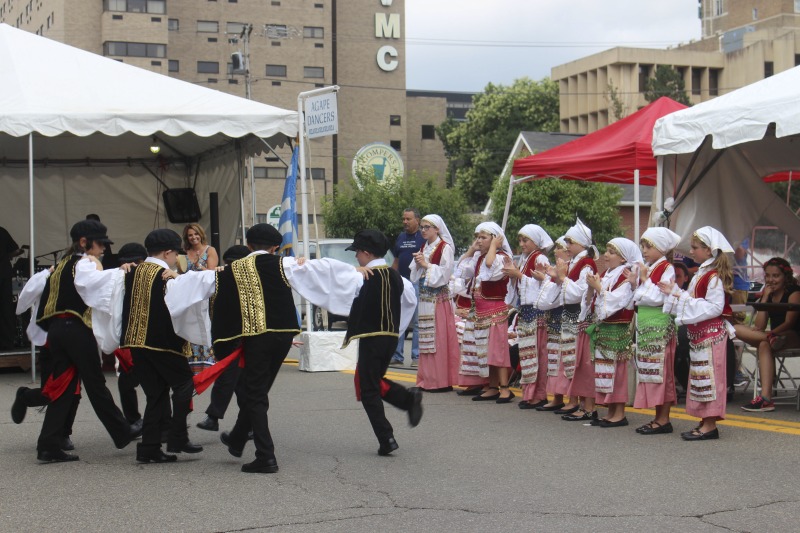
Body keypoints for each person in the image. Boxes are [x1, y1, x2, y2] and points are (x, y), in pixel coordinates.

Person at [167, 224, 302, 473]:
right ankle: (238, 438)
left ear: (248, 245)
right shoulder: (285, 264)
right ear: (274, 248)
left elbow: (196, 282)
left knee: (255, 394)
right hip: (284, 335)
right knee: (258, 390)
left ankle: (266, 456)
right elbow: (321, 272)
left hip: (256, 338)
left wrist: (175, 278)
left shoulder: (229, 272)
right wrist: (357, 271)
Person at [282, 229, 421, 455]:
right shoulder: (399, 279)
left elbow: (326, 271)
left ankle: (388, 435)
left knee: (368, 389)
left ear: (366, 253)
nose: (356, 257)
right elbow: (409, 304)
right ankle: (405, 402)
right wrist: (396, 329)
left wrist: (297, 264)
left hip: (371, 338)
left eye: (357, 252)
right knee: (372, 381)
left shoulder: (362, 276)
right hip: (389, 339)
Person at [76, 229, 203, 463]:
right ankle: (177, 436)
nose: (176, 259)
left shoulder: (129, 272)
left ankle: (150, 448)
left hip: (135, 342)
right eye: (175, 254)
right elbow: (188, 297)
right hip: (162, 343)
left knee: (156, 394)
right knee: (184, 384)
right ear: (168, 252)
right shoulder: (166, 274)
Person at [26, 220, 135, 462]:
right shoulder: (84, 263)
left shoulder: (61, 264)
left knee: (64, 388)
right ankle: (122, 430)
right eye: (101, 243)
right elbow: (91, 284)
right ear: (84, 243)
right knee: (95, 383)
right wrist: (121, 272)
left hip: (57, 330)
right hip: (74, 329)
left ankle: (48, 444)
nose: (104, 248)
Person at [661, 226, 734, 441]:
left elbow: (714, 307)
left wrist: (680, 297)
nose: (691, 252)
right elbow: (692, 300)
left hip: (710, 335)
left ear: (708, 250)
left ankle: (709, 425)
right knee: (702, 377)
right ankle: (705, 421)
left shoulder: (712, 277)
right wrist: (675, 293)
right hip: (702, 335)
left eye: (695, 248)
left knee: (709, 378)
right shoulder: (702, 273)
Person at [11, 264, 81, 453]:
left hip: (74, 341)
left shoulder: (83, 276)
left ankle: (64, 434)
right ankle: (25, 396)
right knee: (51, 392)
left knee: (74, 392)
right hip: (50, 342)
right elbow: (21, 306)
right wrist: (43, 276)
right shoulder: (45, 278)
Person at [541, 219, 598, 421]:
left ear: (580, 243)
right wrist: (559, 277)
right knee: (572, 361)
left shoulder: (587, 263)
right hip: (571, 315)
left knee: (579, 362)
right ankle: (579, 402)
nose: (567, 246)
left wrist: (563, 278)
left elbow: (579, 294)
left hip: (578, 316)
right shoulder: (577, 262)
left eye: (570, 242)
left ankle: (585, 404)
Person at [195, 245, 254, 432]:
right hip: (224, 338)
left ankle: (213, 416)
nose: (230, 267)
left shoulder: (251, 281)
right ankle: (250, 424)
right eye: (228, 264)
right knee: (240, 384)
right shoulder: (219, 278)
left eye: (233, 264)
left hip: (242, 338)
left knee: (229, 377)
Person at [584, 238, 641, 427]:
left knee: (618, 371)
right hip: (605, 329)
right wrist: (593, 289)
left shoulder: (625, 275)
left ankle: (619, 413)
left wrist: (598, 288)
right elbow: (594, 303)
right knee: (606, 370)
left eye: (611, 252)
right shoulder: (607, 273)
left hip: (617, 329)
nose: (606, 255)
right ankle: (610, 411)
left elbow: (618, 301)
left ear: (624, 258)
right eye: (606, 250)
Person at [631, 228, 682, 435]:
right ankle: (658, 417)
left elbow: (658, 298)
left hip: (659, 326)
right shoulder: (652, 267)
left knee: (661, 372)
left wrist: (643, 281)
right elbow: (638, 297)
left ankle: (663, 419)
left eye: (648, 246)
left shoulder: (666, 268)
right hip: (647, 324)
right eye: (643, 246)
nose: (644, 250)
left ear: (660, 247)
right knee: (651, 371)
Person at [457, 222, 514, 403]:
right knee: (485, 351)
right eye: (478, 237)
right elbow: (462, 270)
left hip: (495, 309)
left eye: (483, 237)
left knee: (497, 351)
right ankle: (491, 386)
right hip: (481, 310)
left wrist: (495, 246)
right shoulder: (480, 257)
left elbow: (490, 270)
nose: (479, 241)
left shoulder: (501, 257)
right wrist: (471, 250)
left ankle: (504, 388)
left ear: (495, 239)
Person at [736, 257, 800, 412]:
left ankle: (765, 399)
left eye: (776, 276)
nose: (771, 279)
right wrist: (764, 297)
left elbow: (790, 322)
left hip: (793, 334)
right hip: (773, 336)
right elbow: (759, 326)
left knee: (768, 339)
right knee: (737, 329)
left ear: (785, 276)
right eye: (768, 276)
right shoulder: (769, 294)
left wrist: (772, 333)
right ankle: (765, 399)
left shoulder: (794, 292)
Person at [502, 224, 553, 409]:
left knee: (537, 355)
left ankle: (538, 395)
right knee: (529, 355)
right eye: (520, 240)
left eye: (526, 240)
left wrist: (518, 275)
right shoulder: (526, 258)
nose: (522, 244)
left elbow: (543, 285)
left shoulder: (540, 258)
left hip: (537, 314)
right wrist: (515, 275)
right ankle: (531, 394)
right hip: (527, 313)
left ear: (536, 242)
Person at [409, 215, 459, 392]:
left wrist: (426, 265)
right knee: (426, 339)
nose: (423, 230)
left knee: (437, 339)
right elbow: (414, 273)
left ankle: (440, 380)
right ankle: (427, 379)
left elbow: (445, 274)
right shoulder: (425, 246)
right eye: (422, 227)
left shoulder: (445, 247)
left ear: (437, 229)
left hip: (438, 300)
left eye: (427, 227)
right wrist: (419, 264)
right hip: (425, 298)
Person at [535, 236, 569, 411]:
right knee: (554, 358)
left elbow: (555, 296)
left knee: (565, 359)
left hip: (565, 317)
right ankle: (556, 396)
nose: (555, 251)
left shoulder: (568, 270)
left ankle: (570, 399)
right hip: (554, 319)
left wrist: (552, 278)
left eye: (560, 247)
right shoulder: (558, 269)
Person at [390, 208, 425, 367]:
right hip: (401, 283)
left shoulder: (423, 238)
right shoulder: (401, 237)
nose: (405, 222)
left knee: (417, 321)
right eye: (403, 219)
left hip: (417, 283)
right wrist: (391, 277)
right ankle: (397, 356)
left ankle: (416, 356)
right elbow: (396, 260)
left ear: (417, 220)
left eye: (408, 219)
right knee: (398, 319)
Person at [183, 223, 219, 374]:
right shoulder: (184, 253)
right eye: (190, 235)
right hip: (190, 296)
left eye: (195, 234)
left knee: (206, 325)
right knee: (190, 325)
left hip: (206, 295)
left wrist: (198, 265)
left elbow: (211, 274)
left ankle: (209, 359)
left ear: (201, 234)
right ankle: (192, 360)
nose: (193, 237)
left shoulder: (210, 250)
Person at [1, 225, 24, 350]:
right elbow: (15, 250)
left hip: (4, 273)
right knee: (6, 308)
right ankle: (6, 343)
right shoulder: (2, 231)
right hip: (4, 272)